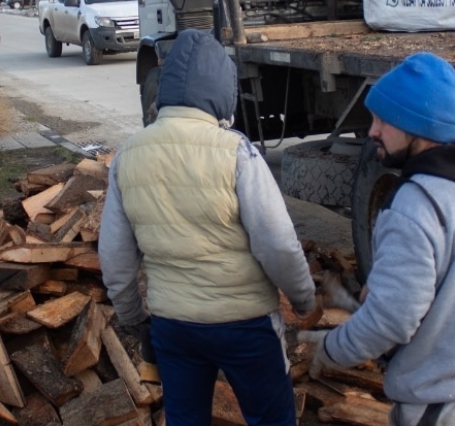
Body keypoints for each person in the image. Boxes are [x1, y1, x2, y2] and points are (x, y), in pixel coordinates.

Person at [303, 52, 455, 426]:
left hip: (447, 406)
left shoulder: (416, 204)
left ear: (416, 126)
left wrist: (331, 349)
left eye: (384, 120)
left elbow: (391, 322)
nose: (372, 131)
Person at [99, 29, 316, 426]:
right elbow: (278, 244)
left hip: (174, 326)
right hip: (246, 325)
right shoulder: (237, 151)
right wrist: (303, 298)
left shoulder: (128, 155)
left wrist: (134, 317)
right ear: (221, 89)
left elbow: (115, 257)